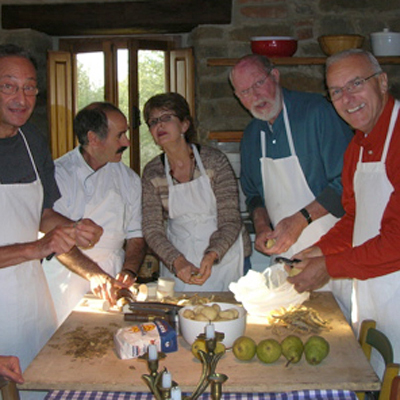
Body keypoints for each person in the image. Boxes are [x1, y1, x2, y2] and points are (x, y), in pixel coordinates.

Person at [0, 43, 126, 374]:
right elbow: (38, 241)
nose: (21, 99)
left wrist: (73, 227)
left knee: (44, 380)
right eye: (9, 86)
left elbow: (42, 213)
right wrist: (36, 248)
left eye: (30, 88)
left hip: (33, 297)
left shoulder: (32, 141)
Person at [288, 49, 400, 377]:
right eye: (336, 91)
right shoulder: (357, 146)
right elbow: (355, 218)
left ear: (382, 82)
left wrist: (328, 266)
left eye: (355, 84)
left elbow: (397, 240)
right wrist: (317, 251)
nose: (347, 99)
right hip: (375, 295)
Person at [229, 54, 354, 318]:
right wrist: (262, 225)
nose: (255, 96)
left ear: (275, 76)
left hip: (331, 256)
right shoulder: (251, 136)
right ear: (237, 98)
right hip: (285, 259)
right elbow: (253, 195)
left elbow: (346, 184)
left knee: (336, 328)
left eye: (259, 83)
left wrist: (299, 221)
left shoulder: (318, 113)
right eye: (245, 92)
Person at [43, 102, 145, 326]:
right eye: (120, 136)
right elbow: (56, 239)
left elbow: (136, 235)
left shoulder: (129, 179)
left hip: (113, 278)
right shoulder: (59, 174)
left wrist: (129, 270)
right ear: (93, 138)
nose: (127, 142)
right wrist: (93, 274)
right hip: (67, 280)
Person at [141, 92, 251, 291]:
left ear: (184, 125)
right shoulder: (152, 172)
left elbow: (230, 219)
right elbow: (152, 229)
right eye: (153, 121)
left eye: (167, 118)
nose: (159, 125)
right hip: (180, 259)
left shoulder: (214, 161)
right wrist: (176, 261)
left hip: (224, 255)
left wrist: (212, 254)